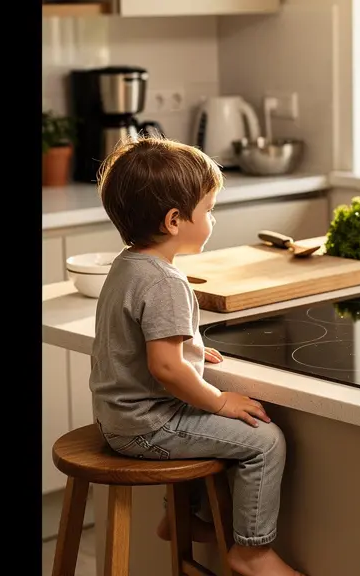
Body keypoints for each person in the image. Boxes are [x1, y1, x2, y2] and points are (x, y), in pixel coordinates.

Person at [89, 137, 304, 576]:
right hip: (148, 425)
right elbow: (164, 367)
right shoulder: (165, 281)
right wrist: (220, 400)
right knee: (265, 442)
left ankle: (181, 518)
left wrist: (191, 347)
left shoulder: (126, 265)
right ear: (174, 221)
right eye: (208, 209)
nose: (212, 218)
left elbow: (145, 344)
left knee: (204, 424)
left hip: (118, 419)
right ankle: (252, 552)